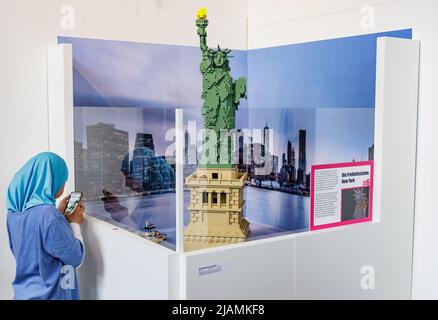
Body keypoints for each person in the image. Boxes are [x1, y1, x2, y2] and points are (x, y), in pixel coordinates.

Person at [6, 152, 85, 300]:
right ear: (51, 179)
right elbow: (75, 257)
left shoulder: (14, 212)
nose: (63, 185)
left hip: (23, 293)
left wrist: (58, 214)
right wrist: (75, 223)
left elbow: (36, 240)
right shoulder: (49, 216)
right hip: (51, 296)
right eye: (63, 180)